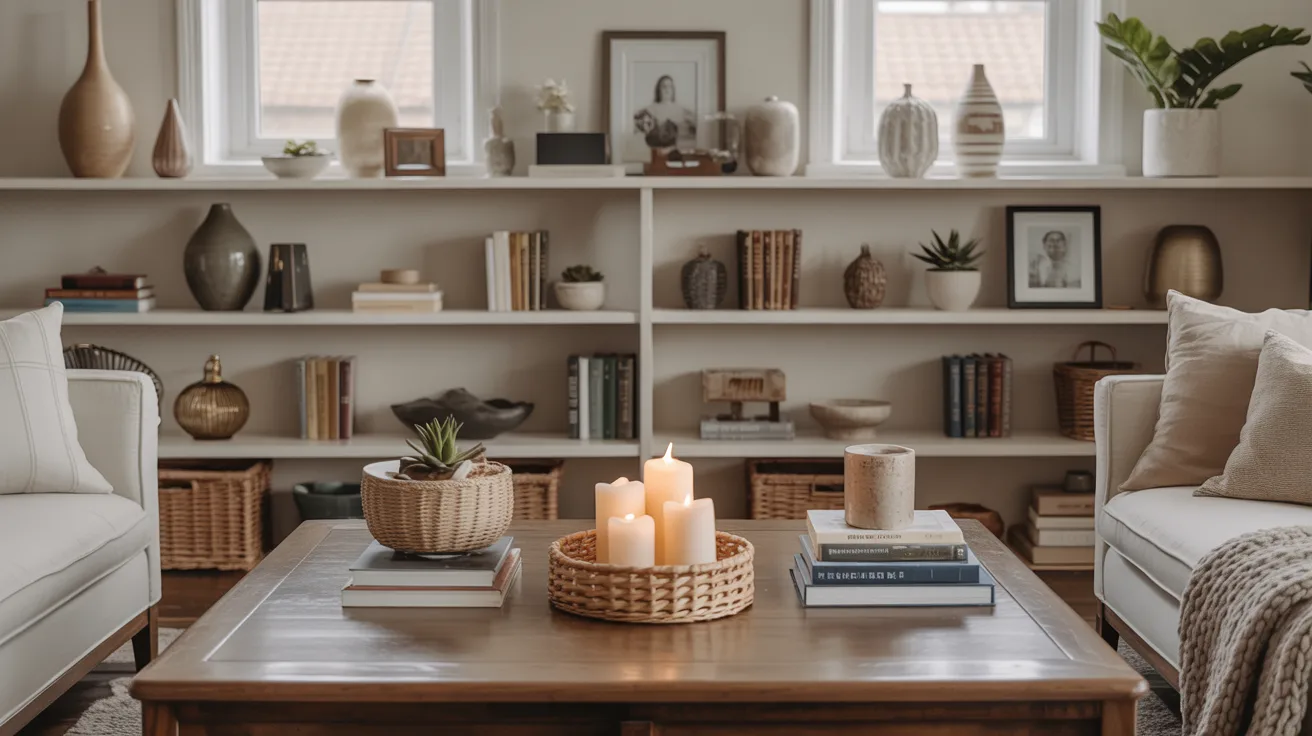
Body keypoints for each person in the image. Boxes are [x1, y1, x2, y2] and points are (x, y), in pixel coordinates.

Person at [633, 75, 697, 149]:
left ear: (673, 90)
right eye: (664, 86)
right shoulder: (649, 110)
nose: (667, 89)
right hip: (654, 150)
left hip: (677, 150)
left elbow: (696, 128)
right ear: (658, 90)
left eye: (670, 86)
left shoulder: (683, 110)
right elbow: (636, 130)